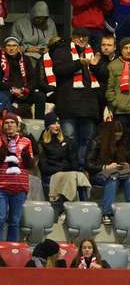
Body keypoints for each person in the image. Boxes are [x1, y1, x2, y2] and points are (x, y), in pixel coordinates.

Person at [49, 30, 104, 166]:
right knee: (69, 139)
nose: (82, 39)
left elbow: (104, 76)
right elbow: (58, 70)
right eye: (78, 37)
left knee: (87, 140)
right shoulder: (62, 51)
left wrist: (95, 66)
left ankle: (84, 169)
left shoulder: (94, 52)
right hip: (68, 105)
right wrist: (78, 63)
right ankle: (70, 168)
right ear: (73, 38)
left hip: (89, 106)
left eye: (85, 37)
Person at [85, 120, 130, 224]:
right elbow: (88, 164)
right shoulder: (97, 142)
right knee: (113, 178)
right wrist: (105, 167)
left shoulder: (123, 143)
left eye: (119, 136)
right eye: (115, 137)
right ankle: (107, 213)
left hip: (119, 173)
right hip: (99, 173)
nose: (117, 139)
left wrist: (129, 165)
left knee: (129, 179)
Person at [38, 113, 89, 213]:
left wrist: (61, 168)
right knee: (73, 177)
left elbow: (74, 163)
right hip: (51, 174)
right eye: (53, 123)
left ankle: (83, 207)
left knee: (79, 177)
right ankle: (70, 211)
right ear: (47, 125)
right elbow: (44, 167)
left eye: (58, 123)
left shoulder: (68, 141)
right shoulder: (42, 143)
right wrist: (62, 168)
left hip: (68, 173)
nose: (57, 125)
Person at [0, 113, 33, 241]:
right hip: (1, 186)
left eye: (12, 122)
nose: (9, 125)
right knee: (0, 218)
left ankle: (11, 252)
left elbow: (29, 165)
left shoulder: (26, 141)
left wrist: (25, 156)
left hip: (20, 187)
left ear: (18, 126)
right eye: (7, 122)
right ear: (3, 126)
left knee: (15, 221)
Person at [3, 36, 44, 118]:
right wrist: (13, 89)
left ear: (18, 48)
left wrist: (25, 89)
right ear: (4, 48)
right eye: (9, 46)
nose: (11, 48)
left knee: (40, 96)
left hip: (23, 91)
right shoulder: (1, 60)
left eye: (14, 46)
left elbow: (34, 79)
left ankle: (39, 123)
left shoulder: (25, 59)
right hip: (8, 91)